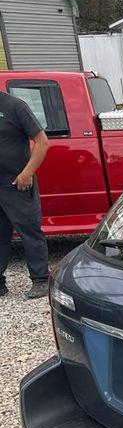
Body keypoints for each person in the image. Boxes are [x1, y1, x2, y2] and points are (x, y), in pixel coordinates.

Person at [0, 90, 50, 299]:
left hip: (16, 184)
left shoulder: (15, 106)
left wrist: (27, 173)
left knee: (29, 232)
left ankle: (40, 280)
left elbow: (42, 141)